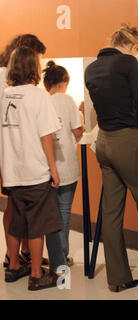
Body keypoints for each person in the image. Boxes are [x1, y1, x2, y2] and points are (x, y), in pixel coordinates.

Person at [85, 25, 138, 292]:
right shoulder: (128, 64)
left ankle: (118, 278)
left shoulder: (92, 68)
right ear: (134, 47)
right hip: (127, 141)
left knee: (111, 212)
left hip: (104, 143)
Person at [0, 46, 62, 290]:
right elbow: (46, 136)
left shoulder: (5, 94)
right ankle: (37, 274)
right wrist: (53, 169)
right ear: (32, 67)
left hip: (11, 172)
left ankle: (14, 266)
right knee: (37, 224)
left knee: (15, 221)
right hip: (34, 171)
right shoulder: (39, 96)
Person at [0, 34, 49, 269]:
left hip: (12, 154)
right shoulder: (5, 79)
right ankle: (14, 256)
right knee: (14, 207)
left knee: (16, 205)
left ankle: (23, 254)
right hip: (11, 153)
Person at [43, 60, 84, 269]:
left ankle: (54, 257)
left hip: (47, 167)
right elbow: (78, 131)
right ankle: (62, 257)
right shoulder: (68, 101)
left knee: (50, 214)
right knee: (65, 211)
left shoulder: (43, 101)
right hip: (67, 164)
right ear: (65, 82)